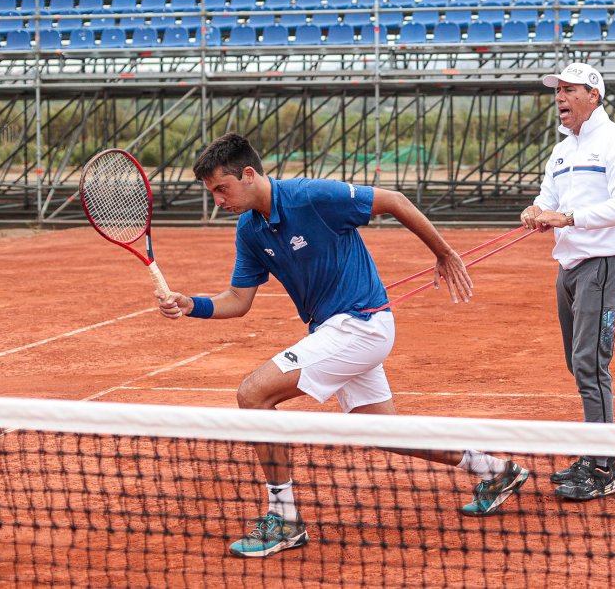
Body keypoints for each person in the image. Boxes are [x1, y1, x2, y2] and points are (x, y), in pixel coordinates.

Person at [157, 133, 528, 558]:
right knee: (385, 433)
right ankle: (495, 470)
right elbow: (238, 301)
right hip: (333, 331)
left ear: (248, 174)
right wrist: (192, 305)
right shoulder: (249, 230)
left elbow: (395, 200)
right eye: (211, 193)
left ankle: (285, 519)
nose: (218, 200)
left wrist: (444, 253)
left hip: (361, 324)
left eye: (222, 188)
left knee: (253, 393)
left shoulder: (311, 196)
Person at [520, 63, 615, 501]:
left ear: (593, 95)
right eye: (557, 90)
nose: (559, 98)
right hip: (569, 266)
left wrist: (567, 218)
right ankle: (595, 451)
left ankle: (603, 468)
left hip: (604, 264)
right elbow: (547, 197)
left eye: (568, 90)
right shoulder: (562, 150)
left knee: (591, 365)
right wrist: (536, 210)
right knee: (579, 364)